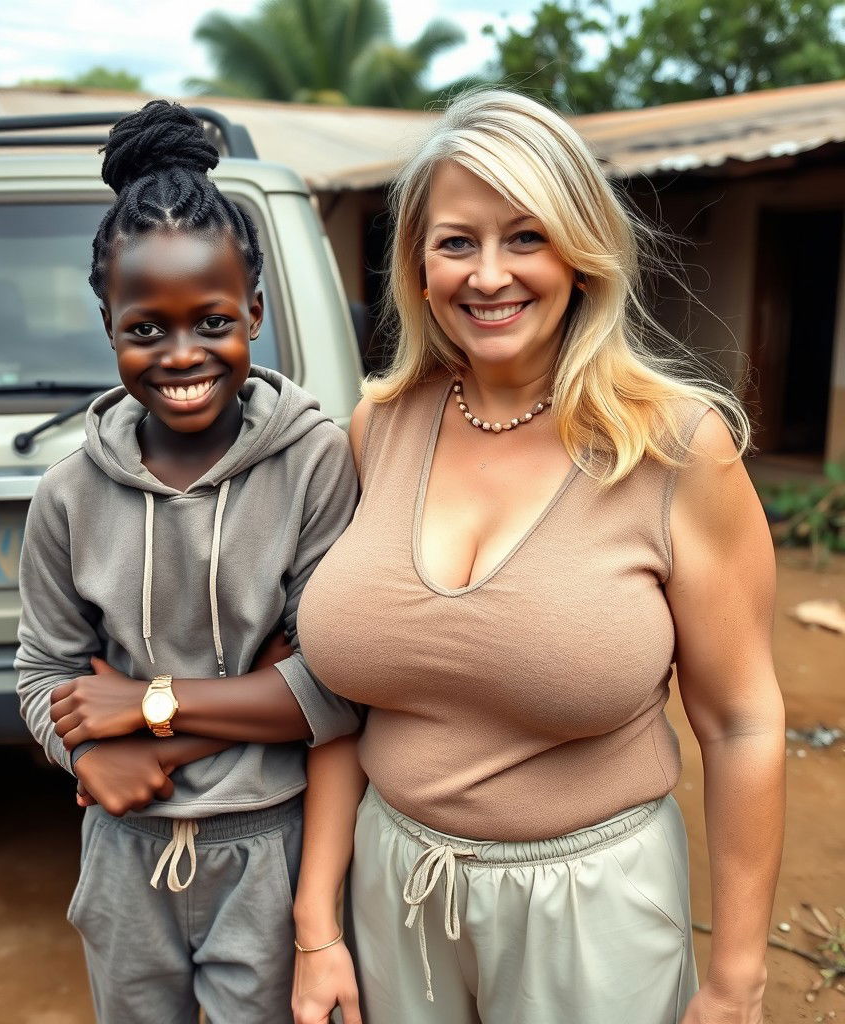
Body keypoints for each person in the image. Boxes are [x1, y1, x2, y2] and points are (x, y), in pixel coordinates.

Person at [291, 89, 785, 1024]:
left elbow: (744, 724)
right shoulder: (381, 426)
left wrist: (738, 979)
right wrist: (319, 929)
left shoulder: (677, 446)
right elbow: (344, 708)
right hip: (396, 887)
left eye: (526, 236)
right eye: (456, 242)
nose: (488, 275)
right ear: (417, 265)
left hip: (590, 908)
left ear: (582, 251)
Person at [14, 100, 360, 1024]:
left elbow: (335, 683)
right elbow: (44, 670)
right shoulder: (69, 494)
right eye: (145, 328)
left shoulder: (314, 463)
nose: (181, 355)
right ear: (109, 324)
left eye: (212, 321)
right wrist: (89, 764)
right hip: (123, 850)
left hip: (270, 848)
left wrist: (143, 718)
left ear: (254, 308)